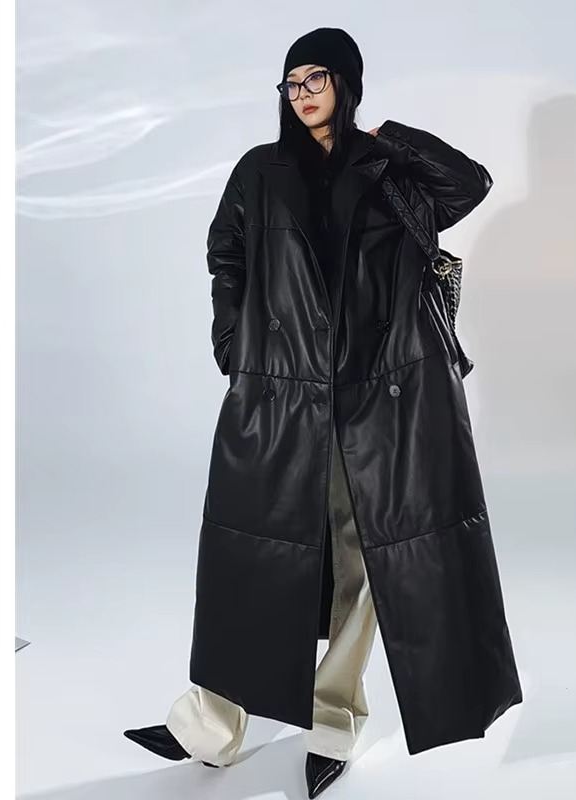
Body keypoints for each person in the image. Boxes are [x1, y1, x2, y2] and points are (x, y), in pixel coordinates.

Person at [124, 27, 522, 799]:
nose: (301, 93)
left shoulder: (390, 170)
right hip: (280, 389)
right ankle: (209, 726)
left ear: (346, 82)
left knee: (361, 561)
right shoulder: (259, 170)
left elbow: (469, 184)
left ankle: (333, 720)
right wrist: (234, 341)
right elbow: (226, 254)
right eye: (291, 81)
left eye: (317, 77)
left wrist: (391, 137)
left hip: (381, 393)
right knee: (251, 556)